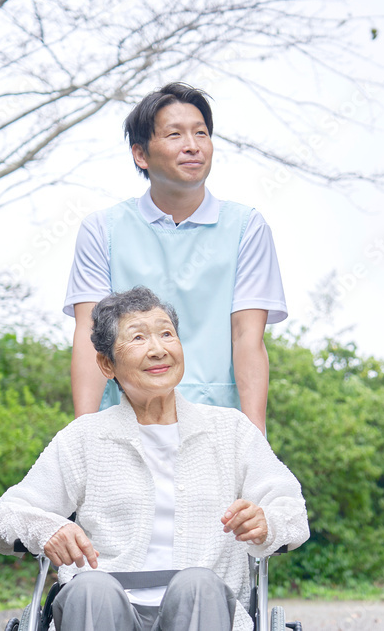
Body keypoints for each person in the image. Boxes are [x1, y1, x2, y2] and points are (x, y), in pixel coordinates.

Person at [0, 287, 309, 631]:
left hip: (204, 611)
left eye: (167, 334)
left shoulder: (230, 430)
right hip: (100, 610)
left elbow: (291, 510)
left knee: (197, 584)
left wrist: (267, 523)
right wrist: (46, 528)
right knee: (92, 588)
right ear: (106, 364)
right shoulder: (84, 438)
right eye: (138, 337)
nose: (158, 349)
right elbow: (5, 520)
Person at [63, 82, 286, 433]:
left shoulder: (246, 228)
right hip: (123, 421)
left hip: (217, 423)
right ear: (141, 154)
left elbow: (247, 336)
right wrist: (82, 437)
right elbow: (88, 335)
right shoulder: (102, 230)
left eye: (201, 133)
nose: (193, 146)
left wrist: (256, 440)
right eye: (175, 135)